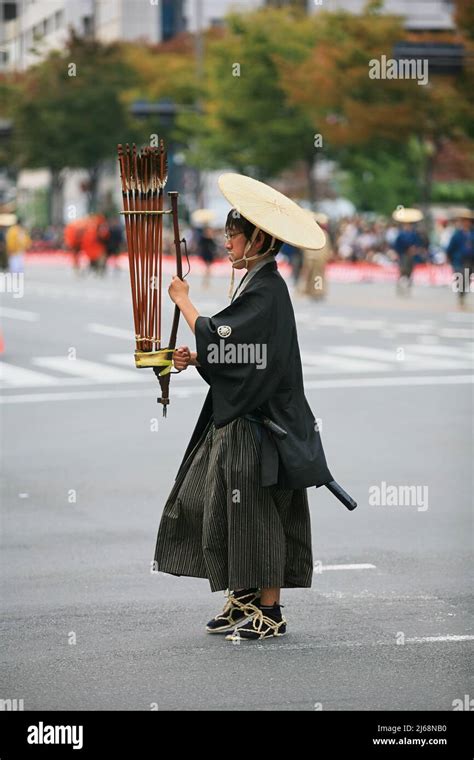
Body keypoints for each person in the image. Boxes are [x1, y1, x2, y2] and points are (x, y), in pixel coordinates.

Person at [153, 173, 335, 641]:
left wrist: (185, 303)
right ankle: (244, 596)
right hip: (248, 417)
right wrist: (196, 358)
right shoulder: (256, 285)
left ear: (258, 239)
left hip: (265, 425)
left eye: (233, 236)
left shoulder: (266, 288)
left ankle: (269, 611)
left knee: (259, 513)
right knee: (230, 509)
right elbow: (240, 355)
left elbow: (221, 337)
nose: (227, 243)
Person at [392, 207, 424, 295]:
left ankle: (407, 287)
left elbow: (418, 243)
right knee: (403, 270)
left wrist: (415, 248)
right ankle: (400, 286)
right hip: (403, 254)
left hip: (412, 255)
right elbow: (397, 245)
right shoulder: (401, 234)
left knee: (410, 271)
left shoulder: (414, 234)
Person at [446, 209, 474, 307]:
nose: (466, 223)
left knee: (467, 279)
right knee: (461, 277)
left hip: (470, 260)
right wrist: (449, 257)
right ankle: (460, 296)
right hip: (459, 260)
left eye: (468, 221)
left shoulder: (472, 234)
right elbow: (450, 247)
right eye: (464, 221)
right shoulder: (457, 234)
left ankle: (462, 296)